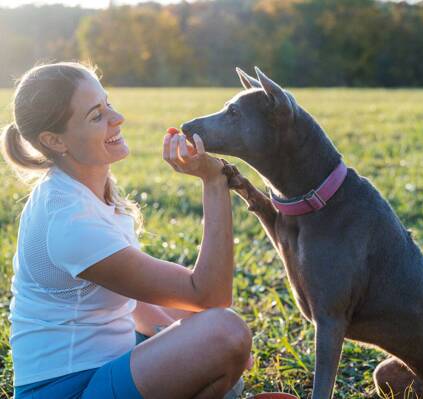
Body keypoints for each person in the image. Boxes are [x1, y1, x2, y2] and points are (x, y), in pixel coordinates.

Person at [1, 62, 252, 399]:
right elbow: (209, 292)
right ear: (54, 140)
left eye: (108, 104)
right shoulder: (68, 219)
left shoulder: (87, 191)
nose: (117, 118)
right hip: (68, 391)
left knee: (210, 326)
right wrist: (213, 180)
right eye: (96, 115)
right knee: (225, 331)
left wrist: (192, 343)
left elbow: (132, 300)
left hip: (104, 368)